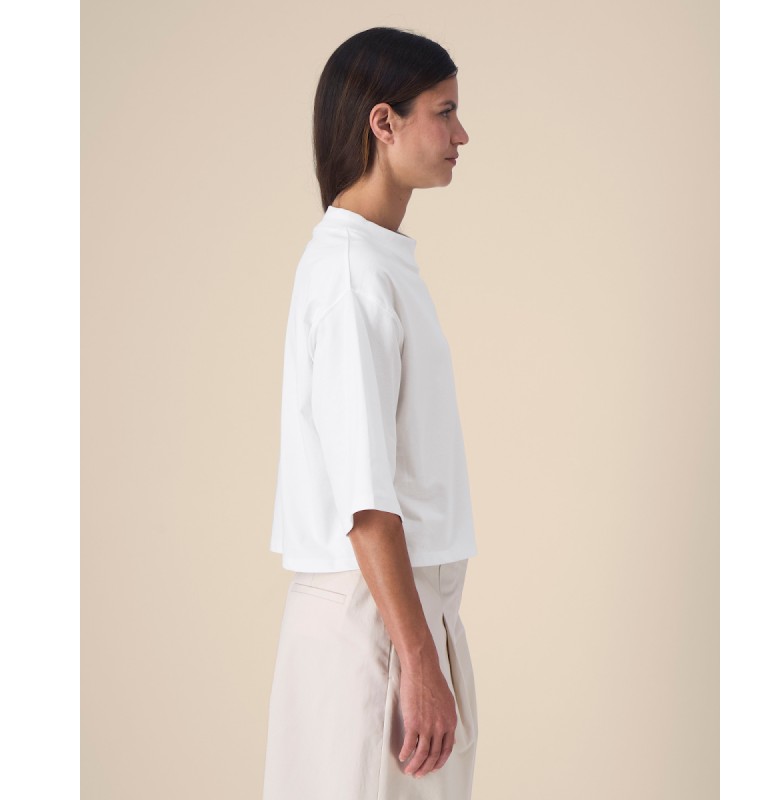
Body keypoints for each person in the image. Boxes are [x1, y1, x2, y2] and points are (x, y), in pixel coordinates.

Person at [262, 26, 478, 799]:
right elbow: (365, 503)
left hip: (404, 614)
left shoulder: (377, 260)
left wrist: (427, 648)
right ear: (383, 123)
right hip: (376, 621)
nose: (461, 135)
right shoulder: (353, 274)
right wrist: (416, 659)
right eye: (444, 112)